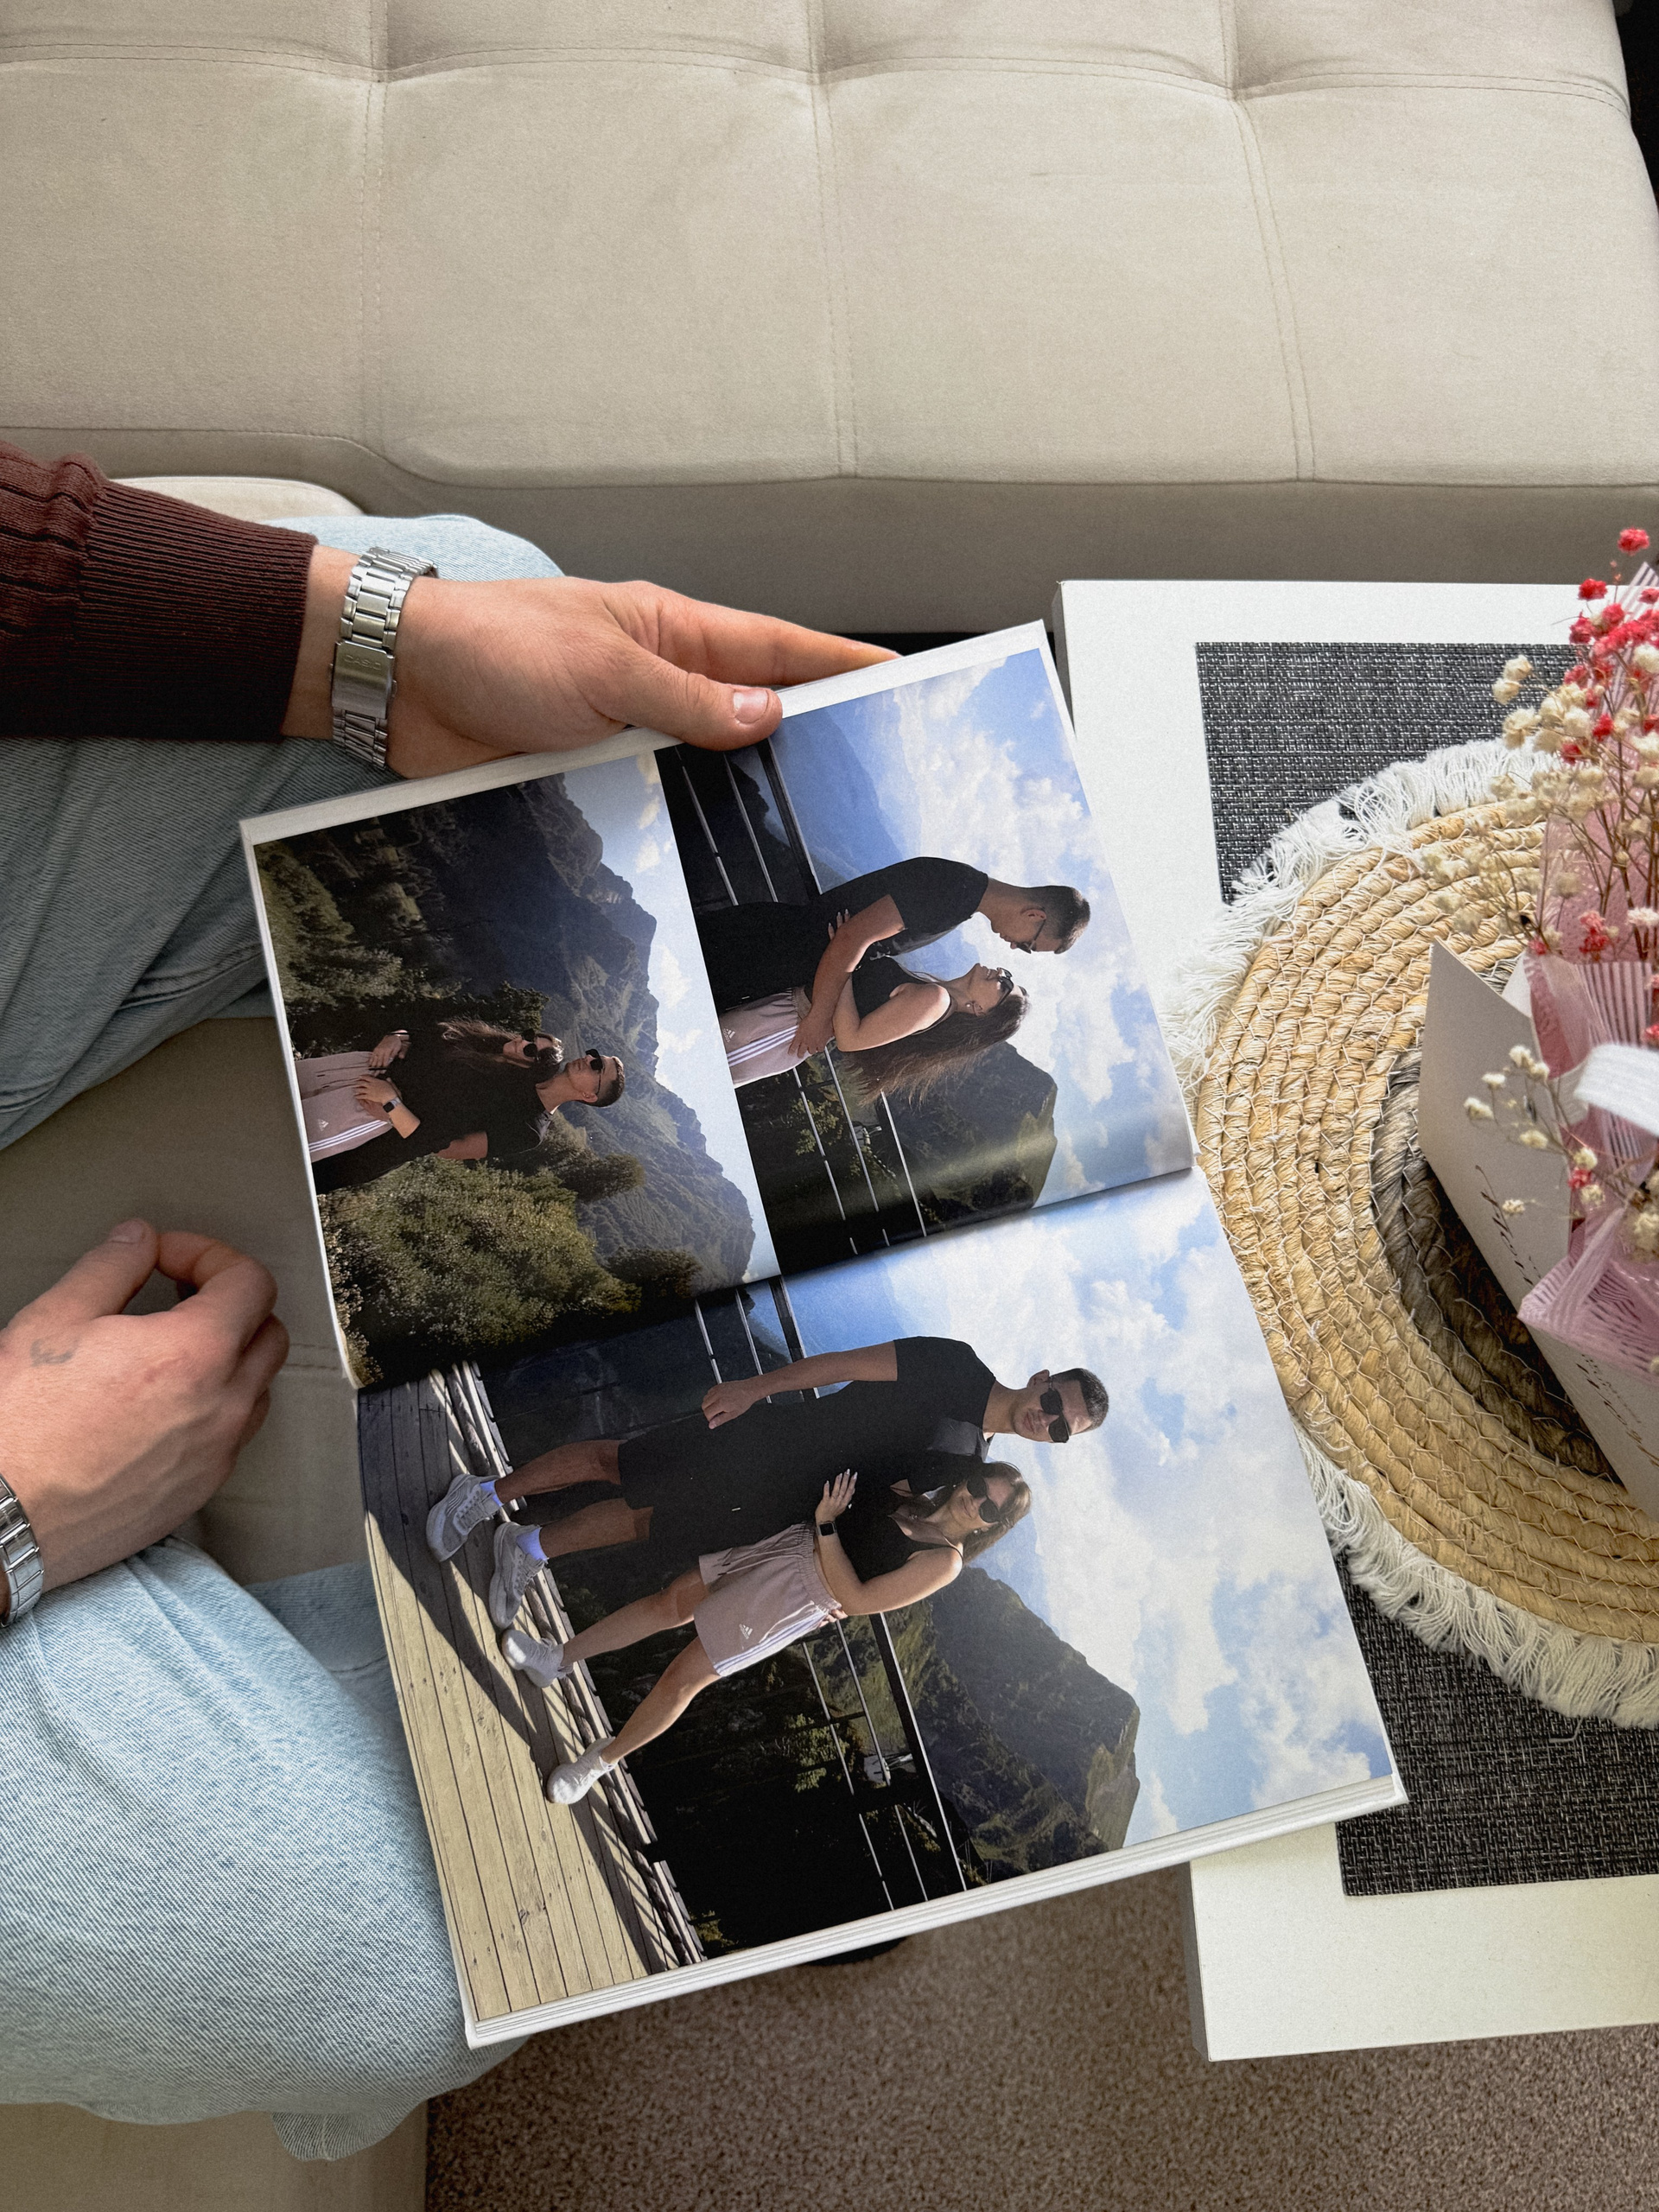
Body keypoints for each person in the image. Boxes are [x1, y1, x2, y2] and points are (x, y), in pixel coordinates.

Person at [0, 440, 895, 2158]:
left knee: (483, 627)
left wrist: (363, 639)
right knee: (425, 1951)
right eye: (591, 1074)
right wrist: (21, 1510)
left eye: (592, 1078)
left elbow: (451, 1117)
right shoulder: (518, 1067)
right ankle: (472, 1616)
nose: (581, 1080)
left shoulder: (533, 1088)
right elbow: (425, 1100)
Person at [423, 1332, 1108, 1629]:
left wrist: (844, 1584)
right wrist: (756, 1388)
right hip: (770, 1437)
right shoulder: (956, 1364)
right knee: (620, 1463)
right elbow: (843, 1364)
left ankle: (527, 1546)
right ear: (1042, 1378)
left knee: (647, 1521)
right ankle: (482, 1495)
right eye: (1054, 1402)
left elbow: (894, 1503)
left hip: (785, 1503)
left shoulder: (972, 1464)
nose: (1045, 1418)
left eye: (1060, 1429)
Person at [499, 1461, 1028, 1805]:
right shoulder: (910, 1500)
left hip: (797, 1595)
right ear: (968, 1477)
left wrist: (827, 1525)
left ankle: (598, 1764)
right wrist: (819, 1523)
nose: (975, 1501)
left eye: (990, 1507)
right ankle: (555, 1660)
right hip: (785, 1545)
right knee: (669, 1603)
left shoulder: (944, 1561)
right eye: (979, 1486)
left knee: (686, 1676)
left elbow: (858, 1601)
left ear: (992, 1525)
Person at [696, 856, 1091, 1061]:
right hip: (765, 949)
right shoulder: (952, 893)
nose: (1015, 948)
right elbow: (852, 938)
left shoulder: (960, 895)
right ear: (1034, 916)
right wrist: (818, 1018)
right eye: (1029, 945)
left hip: (773, 956)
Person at [299, 1015, 625, 1191]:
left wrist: (391, 1106)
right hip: (359, 1080)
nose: (588, 1059)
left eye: (597, 1066)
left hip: (371, 1133)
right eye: (594, 1055)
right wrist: (398, 1036)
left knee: (292, 1158)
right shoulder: (511, 1059)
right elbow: (438, 1035)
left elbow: (445, 1148)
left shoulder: (528, 1128)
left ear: (589, 1096)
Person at [719, 955, 1026, 1093]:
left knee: (708, 1061)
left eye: (1005, 986)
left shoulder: (936, 1000)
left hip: (788, 1027)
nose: (1000, 974)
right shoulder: (934, 992)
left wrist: (846, 961)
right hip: (789, 1015)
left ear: (982, 1012)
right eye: (1007, 975)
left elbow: (850, 1039)